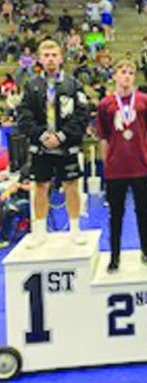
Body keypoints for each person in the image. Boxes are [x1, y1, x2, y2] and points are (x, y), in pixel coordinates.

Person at [17, 40, 89, 249]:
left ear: (61, 58)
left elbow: (82, 115)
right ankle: (39, 232)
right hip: (41, 146)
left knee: (71, 186)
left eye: (54, 55)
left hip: (66, 145)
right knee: (40, 187)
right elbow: (24, 116)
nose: (50, 59)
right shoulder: (31, 86)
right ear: (39, 59)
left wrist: (62, 136)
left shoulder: (73, 84)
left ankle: (75, 230)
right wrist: (41, 136)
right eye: (46, 55)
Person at [96, 59, 147, 273]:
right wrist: (108, 161)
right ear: (115, 75)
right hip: (116, 169)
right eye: (123, 72)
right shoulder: (105, 104)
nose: (126, 76)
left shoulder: (145, 101)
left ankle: (146, 251)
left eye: (130, 72)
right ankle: (115, 256)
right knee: (116, 214)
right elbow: (103, 136)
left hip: (141, 167)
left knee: (143, 211)